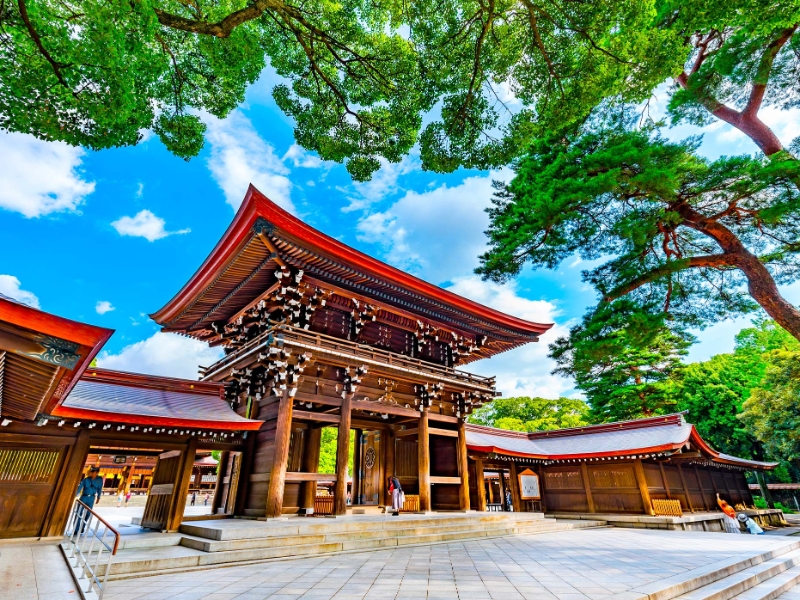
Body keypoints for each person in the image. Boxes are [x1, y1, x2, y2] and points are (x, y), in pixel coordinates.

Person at [74, 467, 103, 534]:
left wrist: (98, 497)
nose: (91, 473)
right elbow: (80, 487)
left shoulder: (99, 480)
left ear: (96, 473)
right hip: (84, 497)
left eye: (93, 472)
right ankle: (76, 529)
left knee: (88, 514)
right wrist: (75, 495)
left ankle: (82, 527)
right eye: (91, 472)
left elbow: (100, 489)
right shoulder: (86, 480)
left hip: (91, 498)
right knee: (79, 513)